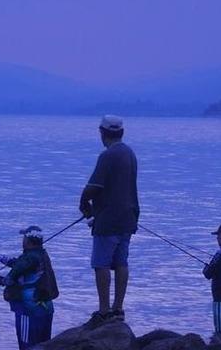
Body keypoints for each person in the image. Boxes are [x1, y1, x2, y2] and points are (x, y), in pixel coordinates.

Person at [78, 115, 139, 327]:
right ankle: (118, 309)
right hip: (128, 218)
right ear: (121, 132)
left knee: (101, 264)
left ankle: (104, 310)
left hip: (108, 220)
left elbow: (94, 186)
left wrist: (83, 202)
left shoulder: (108, 155)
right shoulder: (130, 153)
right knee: (121, 262)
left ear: (103, 133)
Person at [0, 226, 58, 349]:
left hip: (28, 310)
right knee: (44, 345)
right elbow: (17, 263)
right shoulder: (41, 254)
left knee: (26, 345)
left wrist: (2, 280)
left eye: (24, 238)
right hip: (46, 309)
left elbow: (10, 279)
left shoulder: (30, 257)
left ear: (28, 241)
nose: (22, 241)